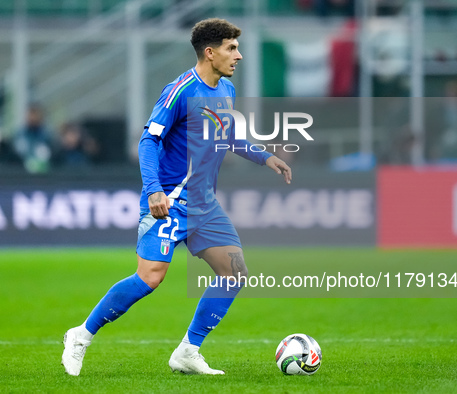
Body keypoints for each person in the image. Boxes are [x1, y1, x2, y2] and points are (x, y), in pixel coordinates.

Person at [61, 18, 292, 376]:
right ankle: (81, 335)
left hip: (204, 204)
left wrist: (266, 156)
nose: (239, 56)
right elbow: (148, 140)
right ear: (210, 52)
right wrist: (153, 190)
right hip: (169, 200)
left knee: (234, 272)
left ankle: (188, 351)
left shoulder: (226, 90)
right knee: (150, 277)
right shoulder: (180, 89)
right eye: (232, 48)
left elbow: (227, 137)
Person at [13, 104, 54, 173]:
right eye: (30, 114)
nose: (33, 118)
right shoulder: (19, 135)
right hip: (21, 174)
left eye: (35, 114)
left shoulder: (48, 136)